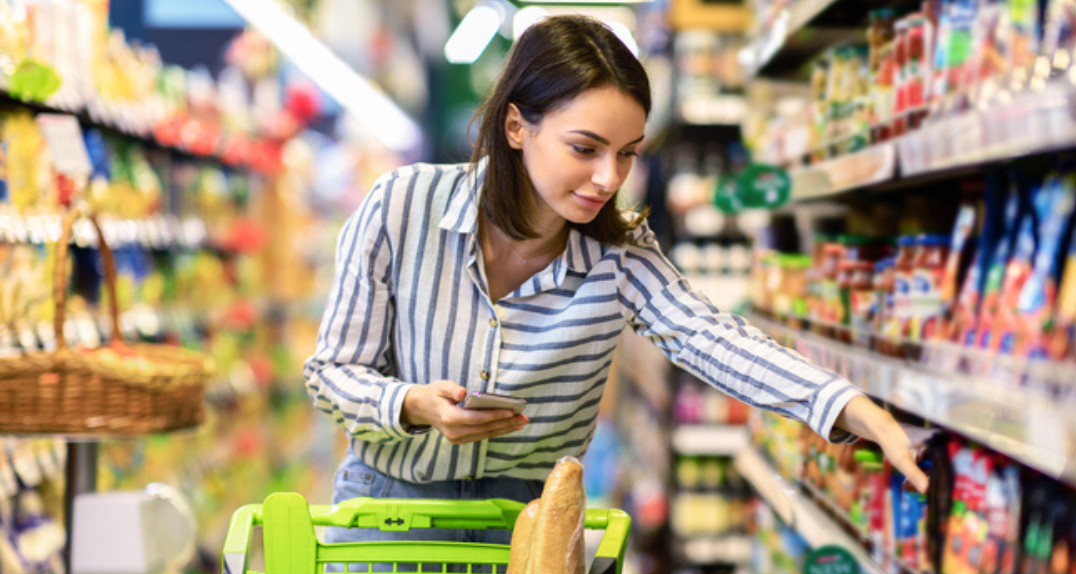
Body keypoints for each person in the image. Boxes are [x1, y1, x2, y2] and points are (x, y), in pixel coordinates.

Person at [304, 14, 928, 546]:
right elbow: (331, 371)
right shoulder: (402, 205)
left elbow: (714, 339)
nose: (609, 178)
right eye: (585, 148)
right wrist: (411, 405)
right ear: (518, 127)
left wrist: (851, 408)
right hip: (389, 515)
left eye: (628, 152)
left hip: (532, 531)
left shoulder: (620, 251)